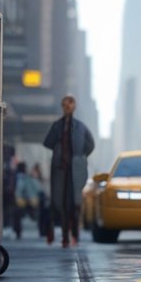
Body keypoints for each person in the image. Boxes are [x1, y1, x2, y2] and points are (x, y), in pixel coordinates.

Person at [43, 95, 96, 248]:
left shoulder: (80, 127)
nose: (67, 108)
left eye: (70, 105)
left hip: (75, 171)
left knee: (74, 204)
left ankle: (74, 234)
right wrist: (59, 149)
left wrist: (79, 156)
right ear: (62, 107)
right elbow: (48, 142)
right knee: (60, 203)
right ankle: (65, 236)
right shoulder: (56, 126)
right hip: (60, 170)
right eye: (65, 105)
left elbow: (90, 145)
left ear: (74, 107)